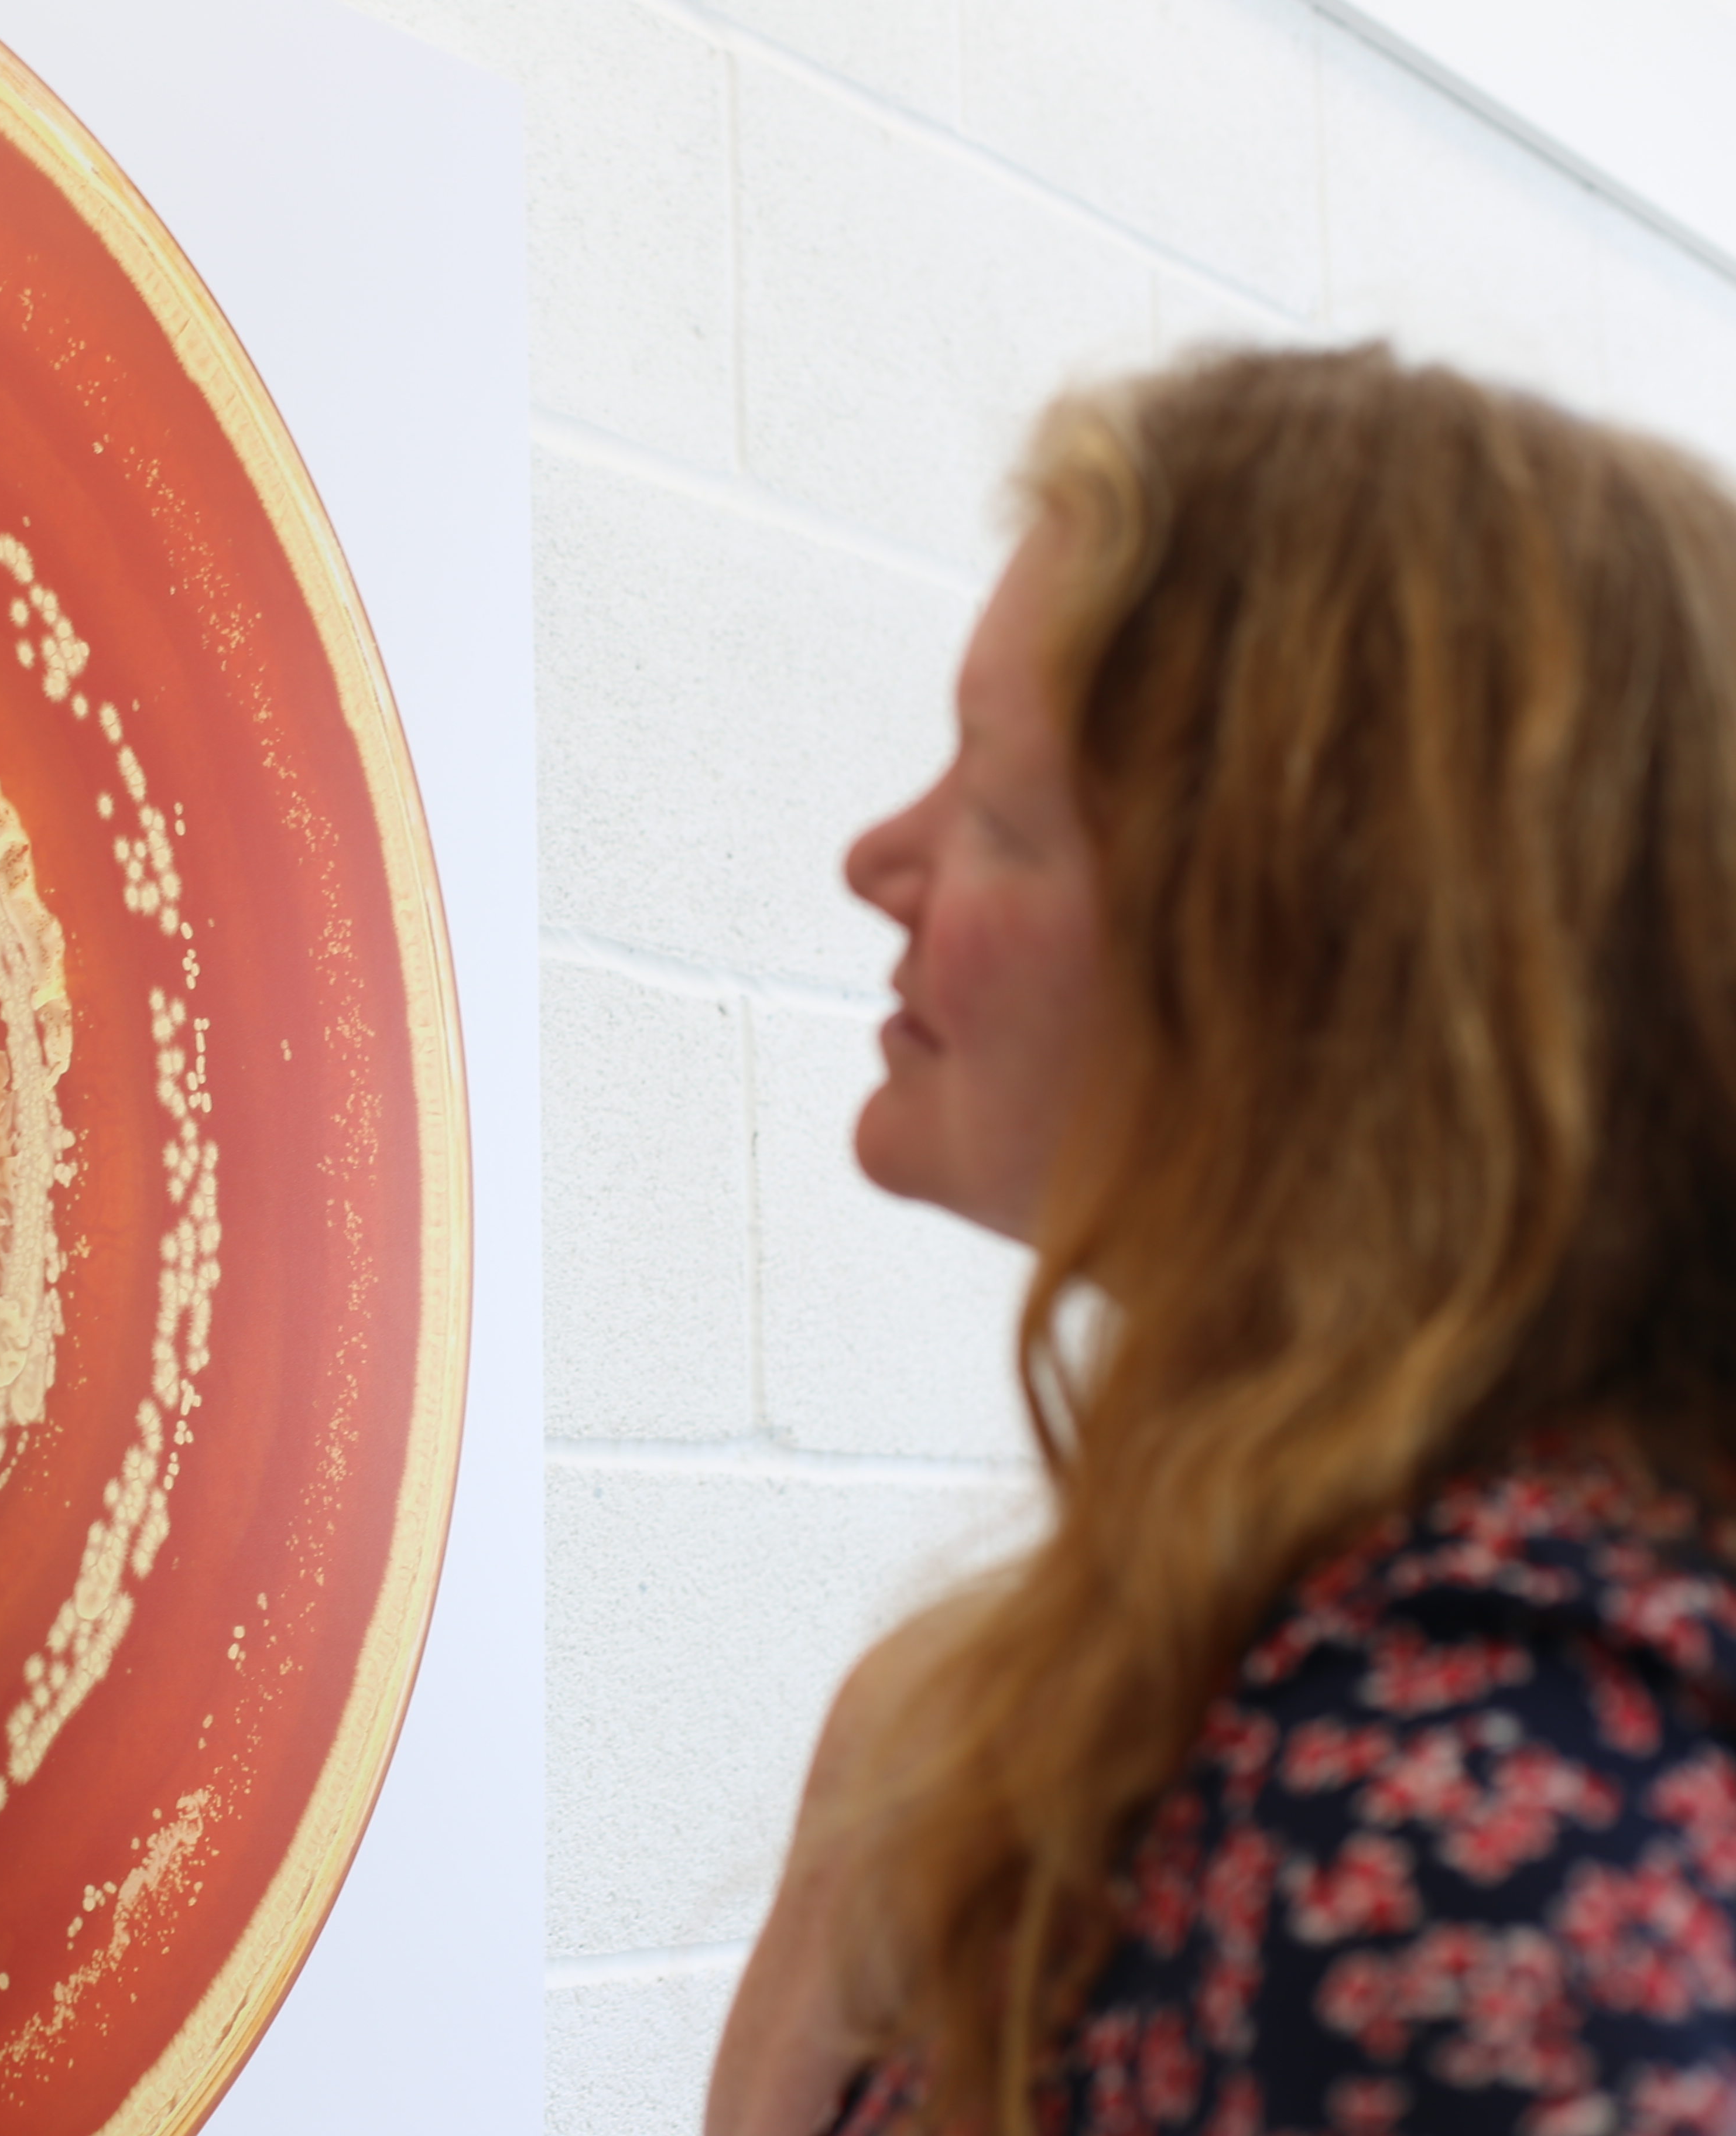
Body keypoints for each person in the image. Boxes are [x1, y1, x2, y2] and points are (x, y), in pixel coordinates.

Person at [706, 344, 1736, 2136]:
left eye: (996, 803)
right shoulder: (1205, 1679)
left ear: (1301, 968)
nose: (884, 857)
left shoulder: (1453, 1851)